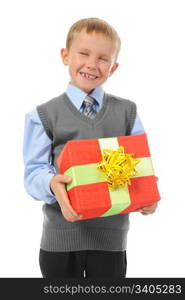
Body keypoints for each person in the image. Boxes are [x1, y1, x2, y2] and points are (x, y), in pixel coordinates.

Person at [23, 17, 157, 278]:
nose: (92, 64)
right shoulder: (43, 115)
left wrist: (147, 194)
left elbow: (139, 164)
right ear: (65, 56)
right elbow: (34, 172)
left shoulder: (127, 112)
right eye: (83, 53)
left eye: (103, 59)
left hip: (111, 240)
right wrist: (53, 184)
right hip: (60, 239)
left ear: (113, 67)